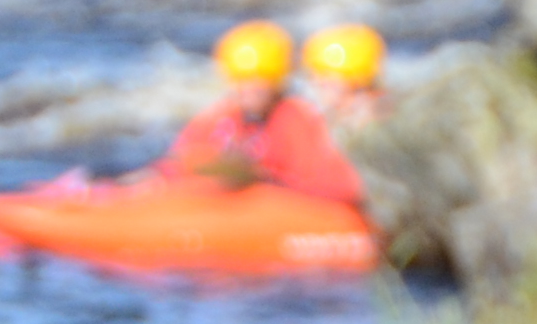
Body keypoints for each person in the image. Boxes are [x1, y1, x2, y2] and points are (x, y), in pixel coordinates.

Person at [149, 18, 372, 201]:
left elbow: (328, 183)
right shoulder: (222, 116)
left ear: (276, 82)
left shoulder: (295, 119)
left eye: (259, 83)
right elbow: (180, 160)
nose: (249, 91)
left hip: (284, 210)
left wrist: (260, 178)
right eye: (242, 82)